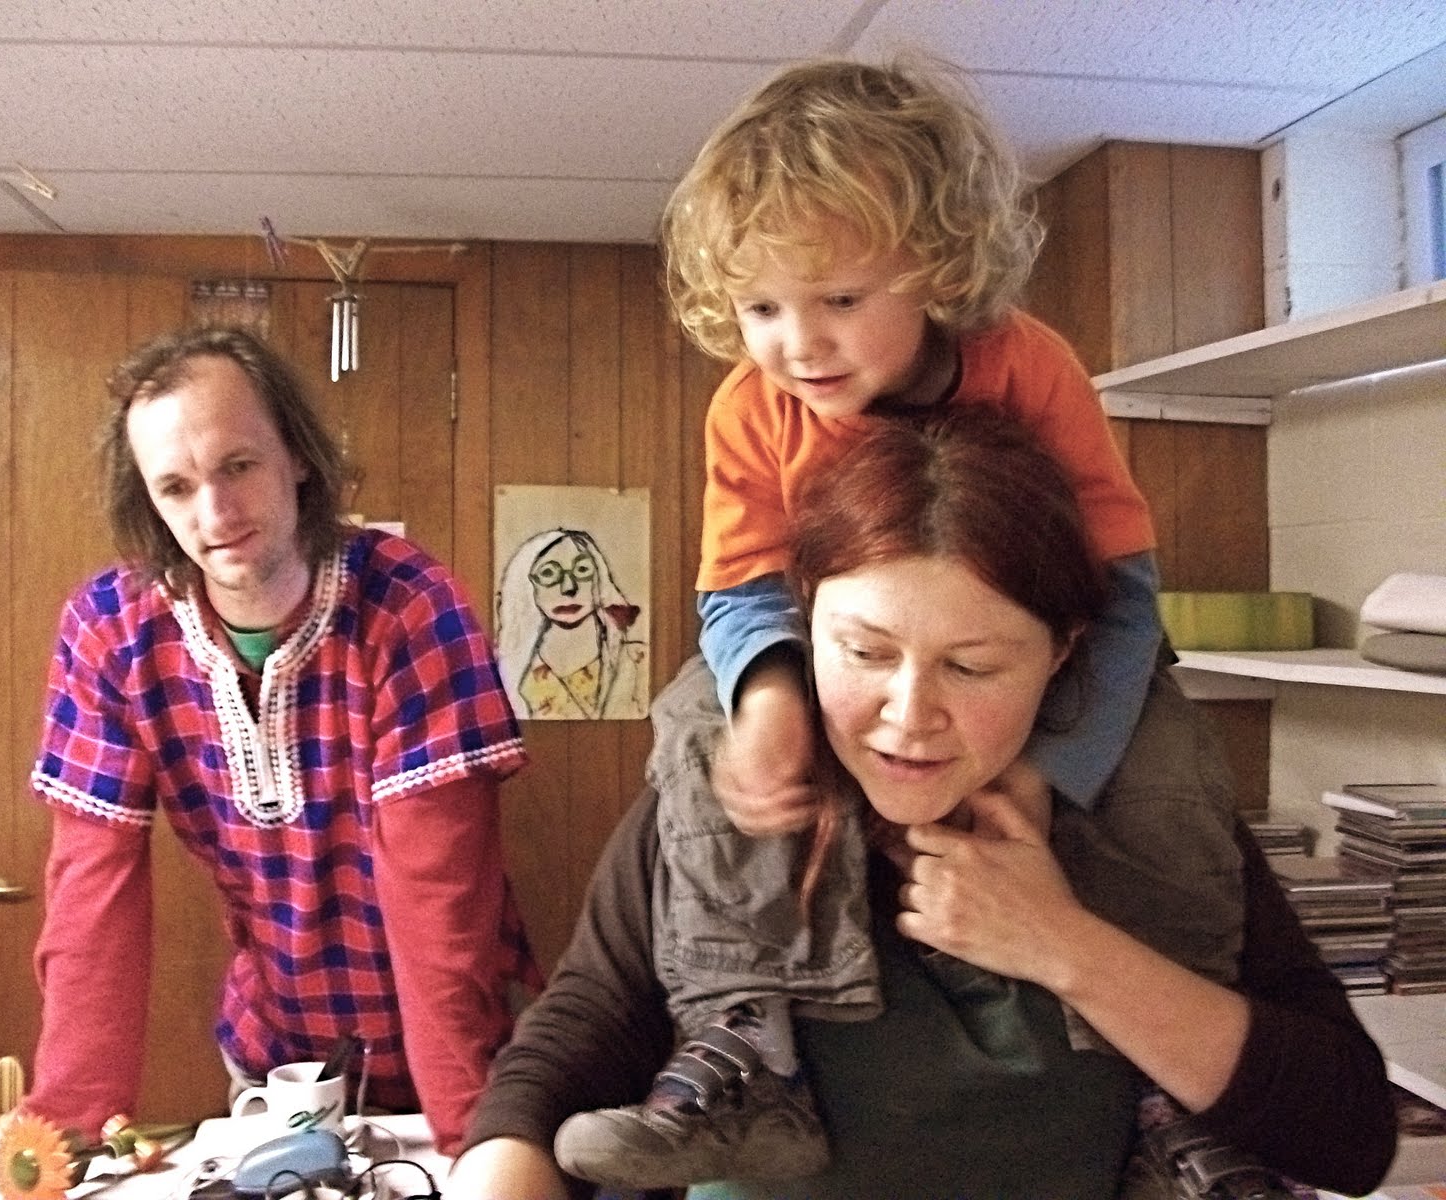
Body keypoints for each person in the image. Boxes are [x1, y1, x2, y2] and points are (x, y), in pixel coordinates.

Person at [445, 409, 1397, 1200]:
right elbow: (581, 1033)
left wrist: (1063, 945)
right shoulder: (732, 798)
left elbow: (1351, 1136)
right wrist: (500, 1165)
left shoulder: (1155, 817)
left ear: (1064, 654)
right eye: (863, 653)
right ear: (804, 621)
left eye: (971, 667)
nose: (907, 716)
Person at [564, 54, 1191, 1185]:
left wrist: (1055, 768)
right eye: (762, 308)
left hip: (1056, 639)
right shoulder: (751, 406)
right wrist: (770, 698)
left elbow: (1124, 592)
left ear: (937, 271)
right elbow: (739, 587)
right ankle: (749, 1042)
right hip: (821, 650)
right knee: (700, 723)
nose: (797, 344)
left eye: (840, 301)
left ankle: (1169, 1100)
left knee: (1165, 754)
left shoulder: (1029, 369)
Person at [20, 326, 539, 1156]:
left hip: (462, 1049)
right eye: (177, 487)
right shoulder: (109, 632)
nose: (216, 514)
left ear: (296, 455)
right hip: (277, 1057)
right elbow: (92, 893)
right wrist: (65, 1137)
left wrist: (468, 1135)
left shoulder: (409, 605)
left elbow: (442, 898)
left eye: (238, 466)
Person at [496, 527, 648, 721]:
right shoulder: (510, 677)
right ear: (526, 585)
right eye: (548, 573)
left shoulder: (638, 661)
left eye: (582, 570)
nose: (569, 587)